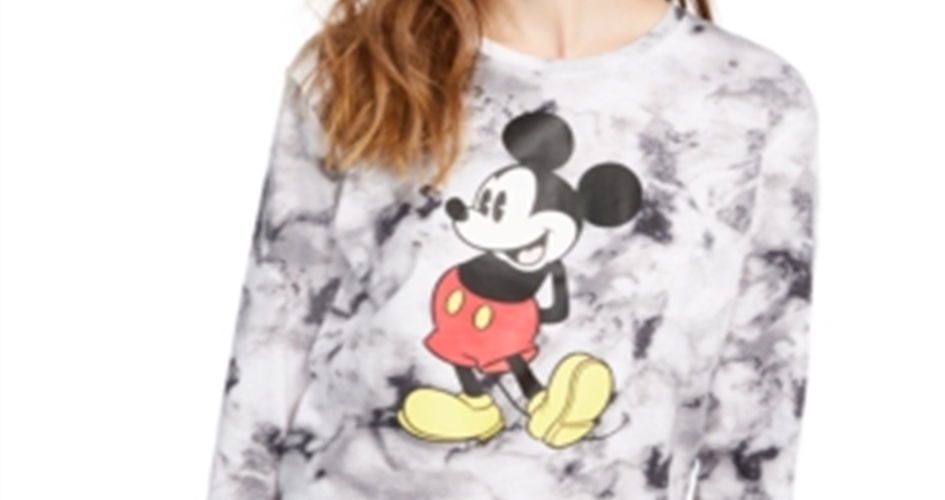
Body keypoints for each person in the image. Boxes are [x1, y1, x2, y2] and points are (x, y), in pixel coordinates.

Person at [205, 0, 820, 498]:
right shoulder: (358, 65)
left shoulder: (750, 100)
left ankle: (549, 403)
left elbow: (756, 402)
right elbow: (271, 355)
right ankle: (474, 406)